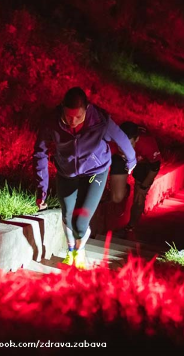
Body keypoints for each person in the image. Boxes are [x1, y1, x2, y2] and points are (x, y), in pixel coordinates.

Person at [33, 87, 137, 269]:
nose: (73, 122)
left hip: (95, 172)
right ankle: (70, 251)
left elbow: (120, 137)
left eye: (78, 117)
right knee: (67, 215)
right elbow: (39, 153)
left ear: (87, 109)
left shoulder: (99, 121)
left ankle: (79, 252)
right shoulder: (51, 122)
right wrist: (42, 188)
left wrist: (132, 160)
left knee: (80, 223)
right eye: (68, 117)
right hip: (67, 173)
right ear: (62, 108)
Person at [109, 121, 161, 233]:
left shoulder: (147, 144)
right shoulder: (112, 143)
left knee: (139, 197)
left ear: (136, 139)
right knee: (116, 197)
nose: (125, 148)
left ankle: (131, 226)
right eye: (121, 145)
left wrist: (143, 187)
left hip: (143, 163)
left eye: (129, 144)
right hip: (121, 159)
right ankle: (125, 190)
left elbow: (155, 167)